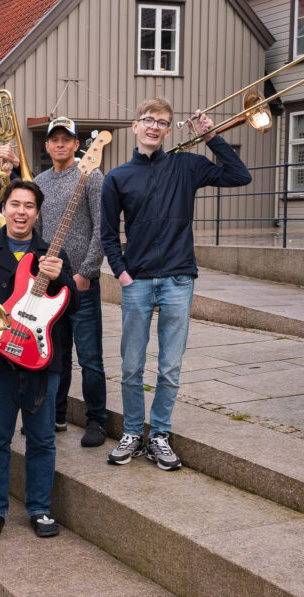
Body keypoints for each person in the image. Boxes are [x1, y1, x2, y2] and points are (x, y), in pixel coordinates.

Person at [101, 98, 252, 471]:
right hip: (136, 281)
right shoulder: (117, 176)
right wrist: (122, 273)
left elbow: (239, 175)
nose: (154, 127)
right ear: (135, 126)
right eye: (148, 120)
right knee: (132, 365)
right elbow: (106, 234)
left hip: (178, 279)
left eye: (162, 123)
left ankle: (160, 436)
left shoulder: (188, 165)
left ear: (169, 130)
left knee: (169, 367)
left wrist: (211, 135)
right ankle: (134, 433)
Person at [0, 180, 78, 541]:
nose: (21, 212)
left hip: (42, 361)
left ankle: (39, 508)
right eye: (15, 204)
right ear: (4, 208)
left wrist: (61, 279)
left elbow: (75, 309)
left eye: (28, 206)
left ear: (37, 213)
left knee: (41, 439)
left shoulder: (53, 256)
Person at [34, 117, 108, 448]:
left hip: (82, 284)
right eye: (54, 139)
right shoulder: (39, 182)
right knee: (56, 354)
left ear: (77, 144)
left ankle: (96, 420)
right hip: (50, 283)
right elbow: (36, 232)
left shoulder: (91, 176)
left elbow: (103, 228)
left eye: (67, 139)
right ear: (47, 145)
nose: (60, 144)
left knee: (89, 357)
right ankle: (57, 414)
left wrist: (86, 272)